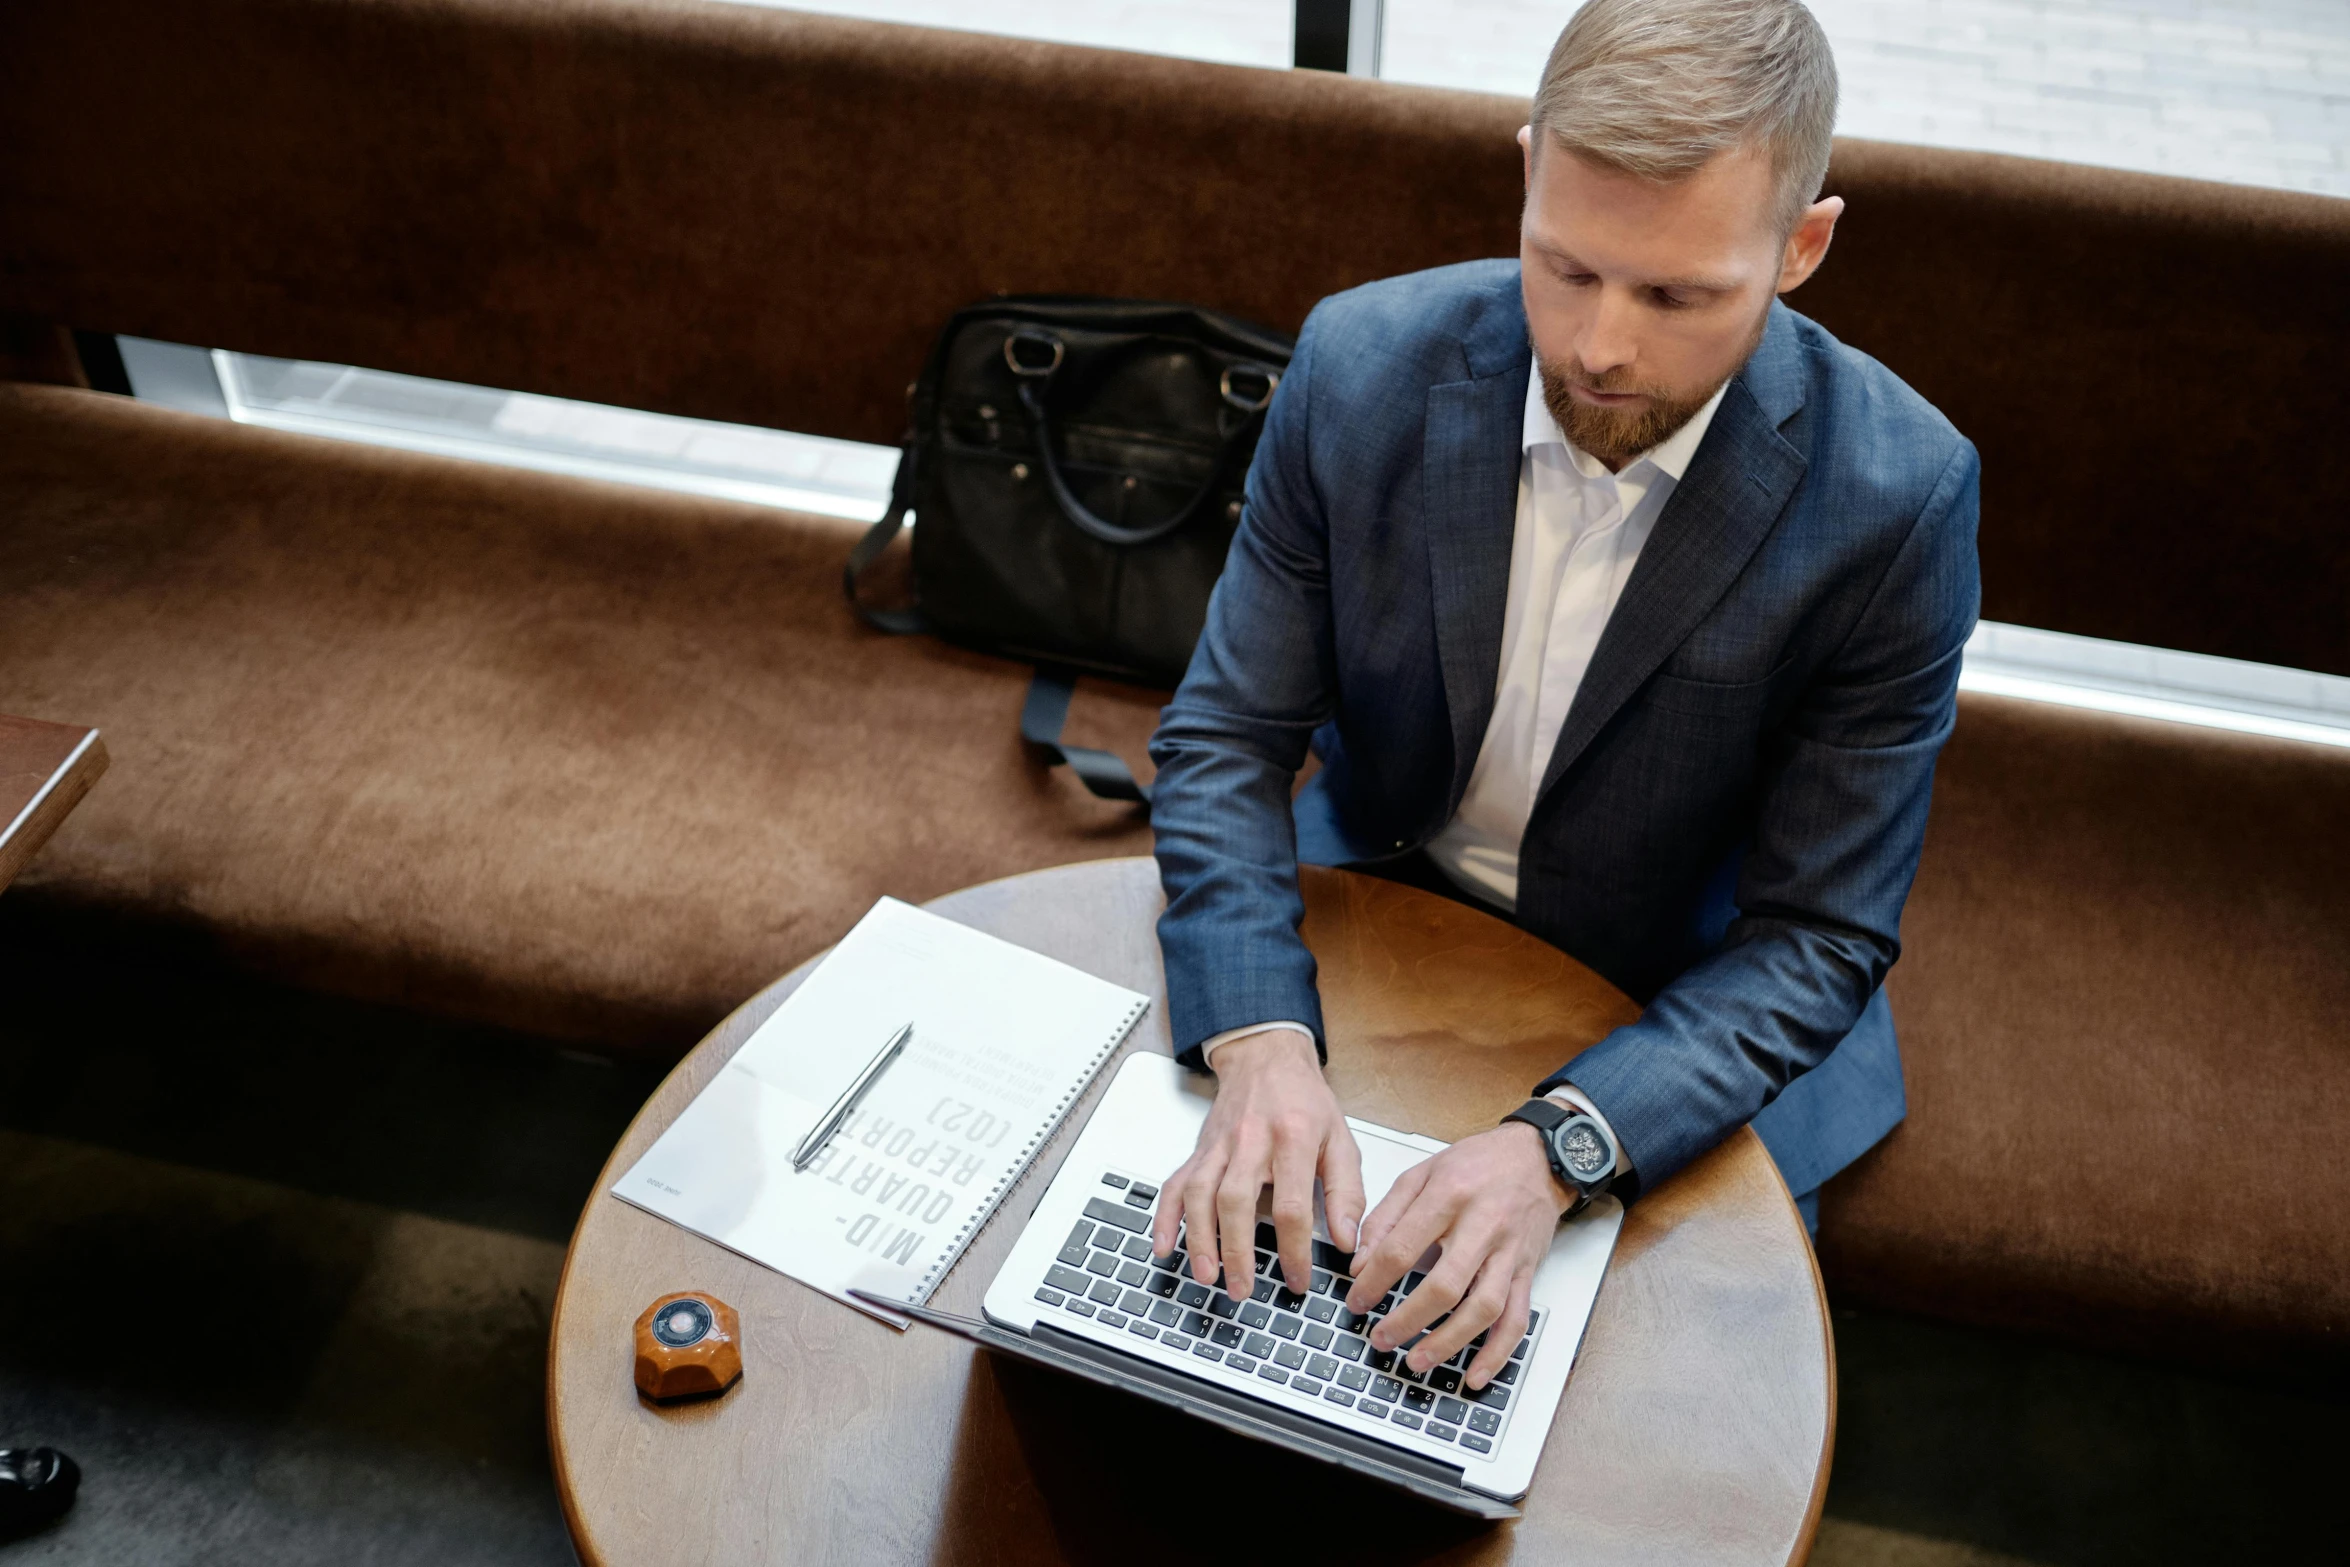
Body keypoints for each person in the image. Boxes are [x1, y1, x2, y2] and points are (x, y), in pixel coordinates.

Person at [1145, 0, 1978, 1397]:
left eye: (1675, 296)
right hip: (1377, 915)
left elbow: (1818, 931)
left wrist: (1563, 1143)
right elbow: (1227, 736)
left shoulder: (1897, 498)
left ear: (1801, 249)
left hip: (1678, 1007)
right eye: (1563, 266)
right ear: (1525, 169)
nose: (1599, 346)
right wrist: (1259, 1037)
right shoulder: (1359, 367)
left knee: (1633, 1450)